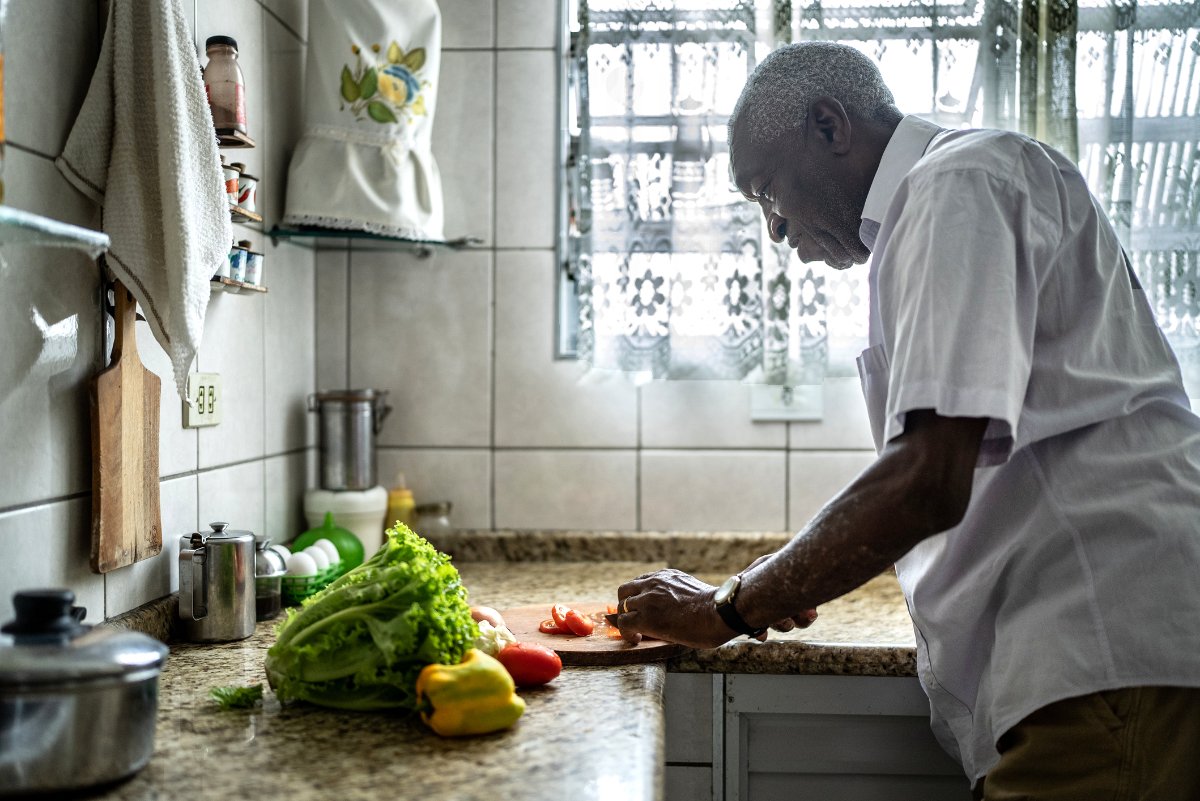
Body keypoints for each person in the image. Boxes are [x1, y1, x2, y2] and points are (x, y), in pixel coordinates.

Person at [613, 41, 1200, 799]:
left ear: (830, 127)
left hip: (1104, 646)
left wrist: (729, 605)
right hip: (1106, 655)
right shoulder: (949, 198)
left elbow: (926, 479)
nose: (775, 232)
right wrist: (797, 572)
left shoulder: (957, 184)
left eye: (767, 192)